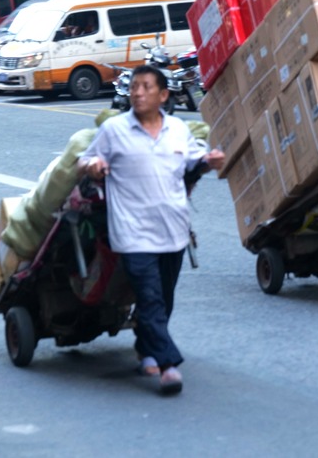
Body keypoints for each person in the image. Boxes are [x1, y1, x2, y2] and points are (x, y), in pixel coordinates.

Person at [78, 64, 225, 395]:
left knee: (164, 299)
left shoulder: (177, 129)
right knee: (150, 295)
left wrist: (210, 160)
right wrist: (93, 165)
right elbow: (82, 162)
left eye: (146, 87)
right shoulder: (114, 129)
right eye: (134, 87)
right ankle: (168, 365)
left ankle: (146, 349)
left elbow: (195, 161)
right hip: (132, 231)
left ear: (163, 95)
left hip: (173, 230)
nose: (138, 93)